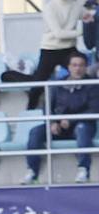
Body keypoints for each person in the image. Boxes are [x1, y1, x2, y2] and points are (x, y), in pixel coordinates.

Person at [1, 0, 93, 110]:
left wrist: (89, 20)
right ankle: (30, 110)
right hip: (50, 49)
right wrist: (82, 31)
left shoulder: (77, 7)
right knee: (38, 84)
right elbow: (58, 34)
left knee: (83, 76)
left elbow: (89, 17)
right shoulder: (50, 7)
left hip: (69, 49)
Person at [22, 52, 99, 184]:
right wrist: (52, 122)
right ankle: (32, 172)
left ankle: (83, 170)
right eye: (74, 65)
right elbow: (47, 106)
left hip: (82, 125)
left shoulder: (93, 86)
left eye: (81, 65)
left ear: (86, 67)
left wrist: (70, 120)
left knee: (82, 129)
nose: (78, 69)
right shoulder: (57, 85)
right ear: (68, 67)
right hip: (58, 126)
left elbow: (94, 109)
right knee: (35, 132)